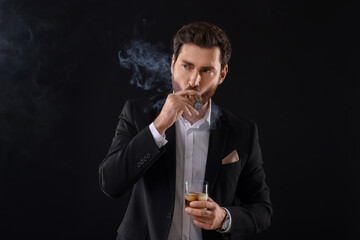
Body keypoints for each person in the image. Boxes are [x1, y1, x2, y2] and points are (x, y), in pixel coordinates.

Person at [99, 22, 272, 240]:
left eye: (207, 70)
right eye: (187, 66)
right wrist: (159, 125)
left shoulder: (243, 132)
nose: (194, 81)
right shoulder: (138, 114)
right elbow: (111, 183)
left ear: (222, 74)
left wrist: (224, 218)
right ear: (173, 64)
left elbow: (262, 210)